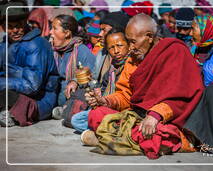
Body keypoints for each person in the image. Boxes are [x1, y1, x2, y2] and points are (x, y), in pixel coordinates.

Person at [82, 14, 204, 159]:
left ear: (149, 37)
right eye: (128, 42)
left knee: (157, 134)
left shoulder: (174, 51)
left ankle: (110, 139)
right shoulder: (134, 58)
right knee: (96, 114)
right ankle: (119, 140)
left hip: (167, 119)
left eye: (133, 42)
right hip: (138, 115)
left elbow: (182, 95)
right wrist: (106, 101)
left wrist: (156, 114)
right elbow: (125, 95)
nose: (130, 48)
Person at [0, 1, 59, 127]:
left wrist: (1, 83)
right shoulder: (5, 44)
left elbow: (32, 87)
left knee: (6, 94)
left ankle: (11, 113)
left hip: (39, 102)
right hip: (14, 93)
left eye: (19, 25)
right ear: (3, 28)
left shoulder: (36, 45)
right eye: (10, 27)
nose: (15, 30)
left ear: (25, 22)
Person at [71, 28, 129, 133]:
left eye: (120, 45)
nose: (116, 51)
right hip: (110, 108)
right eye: (111, 48)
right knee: (77, 119)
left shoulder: (132, 65)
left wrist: (106, 101)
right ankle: (109, 131)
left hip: (124, 110)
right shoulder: (112, 69)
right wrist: (97, 98)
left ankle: (107, 132)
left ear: (129, 45)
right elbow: (103, 89)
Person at [50, 15, 96, 118]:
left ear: (67, 33)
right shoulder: (51, 50)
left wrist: (75, 80)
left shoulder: (81, 50)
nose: (50, 32)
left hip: (70, 94)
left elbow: (92, 73)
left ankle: (67, 109)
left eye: (54, 29)